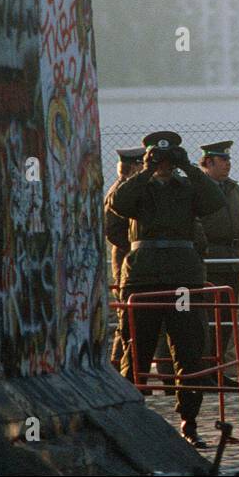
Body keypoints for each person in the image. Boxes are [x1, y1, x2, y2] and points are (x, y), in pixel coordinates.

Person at [106, 130, 227, 447]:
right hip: (143, 278)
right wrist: (145, 170)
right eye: (157, 158)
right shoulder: (138, 189)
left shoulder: (187, 186)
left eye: (166, 158)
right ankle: (132, 421)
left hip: (182, 279)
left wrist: (187, 168)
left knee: (188, 350)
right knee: (137, 352)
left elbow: (215, 202)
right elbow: (117, 204)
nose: (162, 165)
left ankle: (189, 420)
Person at [193, 140, 239, 378]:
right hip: (208, 261)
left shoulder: (235, 190)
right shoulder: (197, 188)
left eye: (228, 160)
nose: (228, 164)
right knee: (206, 317)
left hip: (233, 259)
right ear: (208, 162)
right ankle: (203, 368)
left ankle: (218, 368)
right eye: (223, 160)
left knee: (226, 319)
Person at [107, 147, 146, 371]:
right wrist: (135, 245)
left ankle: (127, 366)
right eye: (141, 165)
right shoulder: (121, 190)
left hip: (134, 259)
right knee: (127, 316)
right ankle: (118, 366)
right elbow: (112, 230)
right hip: (126, 260)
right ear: (133, 166)